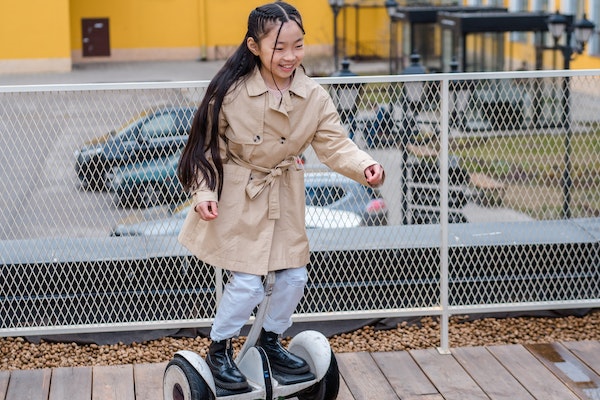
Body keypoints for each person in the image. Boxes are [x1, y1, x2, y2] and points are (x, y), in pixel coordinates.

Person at [177, 1, 385, 391]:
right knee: (247, 284)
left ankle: (270, 342)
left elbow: (335, 144)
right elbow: (204, 147)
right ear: (254, 46)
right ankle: (219, 349)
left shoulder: (314, 96)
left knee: (294, 276)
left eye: (298, 46)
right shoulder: (231, 92)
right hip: (238, 195)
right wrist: (203, 191)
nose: (290, 56)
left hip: (285, 194)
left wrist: (365, 166)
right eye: (279, 47)